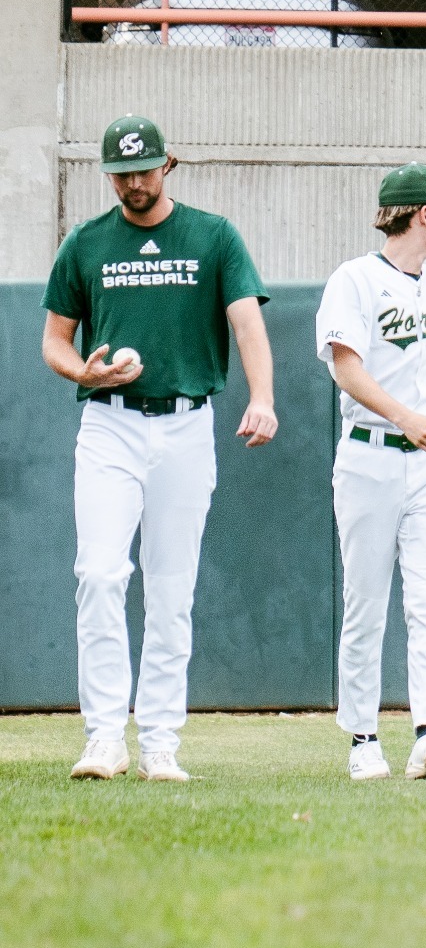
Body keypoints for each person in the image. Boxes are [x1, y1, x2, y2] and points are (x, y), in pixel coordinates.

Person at [43, 114, 277, 781]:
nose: (134, 184)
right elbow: (55, 341)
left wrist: (261, 397)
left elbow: (246, 321)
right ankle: (102, 738)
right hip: (109, 424)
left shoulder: (213, 235)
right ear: (108, 174)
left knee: (171, 589)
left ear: (167, 165)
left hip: (185, 424)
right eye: (122, 173)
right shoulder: (86, 243)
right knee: (99, 573)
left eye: (144, 171)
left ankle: (161, 743)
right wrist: (81, 370)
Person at [316, 163, 426, 780]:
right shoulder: (356, 279)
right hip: (371, 451)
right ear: (422, 215)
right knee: (366, 601)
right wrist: (405, 416)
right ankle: (363, 736)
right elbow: (346, 367)